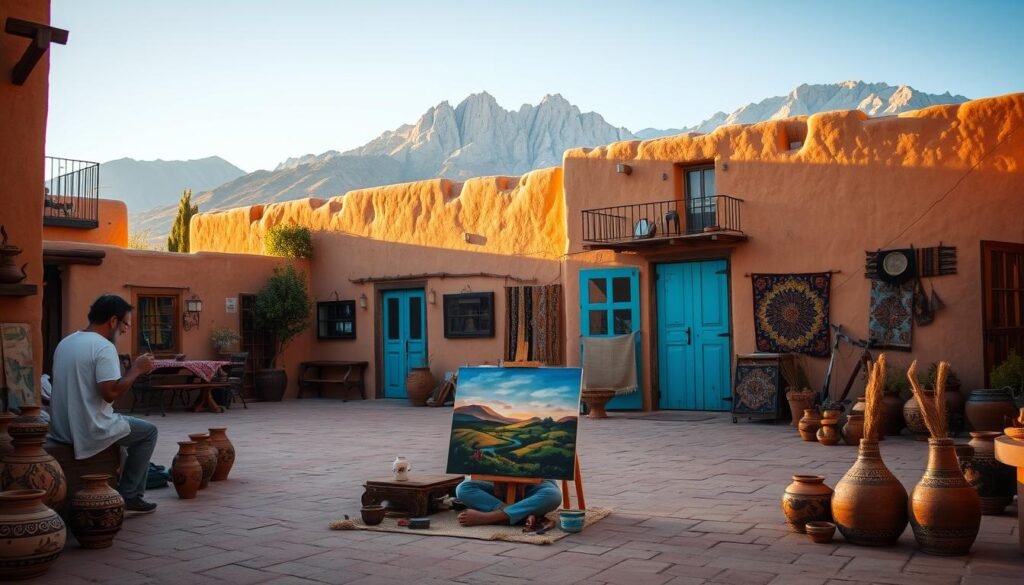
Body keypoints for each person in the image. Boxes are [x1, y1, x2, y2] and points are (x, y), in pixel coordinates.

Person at [48, 294, 159, 514]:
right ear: (112, 321)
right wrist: (137, 369)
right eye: (126, 324)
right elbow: (110, 393)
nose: (126, 329)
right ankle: (131, 495)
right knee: (148, 432)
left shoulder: (66, 342)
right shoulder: (103, 347)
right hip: (90, 428)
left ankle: (122, 485)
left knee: (129, 433)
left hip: (61, 428)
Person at [455, 478, 563, 528]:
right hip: (494, 484)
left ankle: (489, 517)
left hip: (535, 485)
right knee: (463, 489)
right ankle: (521, 516)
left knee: (553, 495)